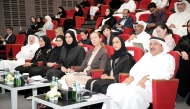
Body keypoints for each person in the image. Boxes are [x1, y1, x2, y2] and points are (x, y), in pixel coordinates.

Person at [102, 37, 175, 109]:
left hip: (151, 87)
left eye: (155, 44)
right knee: (112, 87)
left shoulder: (168, 58)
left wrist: (148, 77)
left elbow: (167, 74)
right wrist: (132, 76)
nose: (152, 46)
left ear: (162, 47)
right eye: (150, 44)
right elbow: (136, 68)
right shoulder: (147, 56)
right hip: (135, 84)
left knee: (129, 93)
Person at [174, 20, 190, 106]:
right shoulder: (184, 38)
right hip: (183, 61)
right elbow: (176, 48)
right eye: (189, 26)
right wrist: (182, 51)